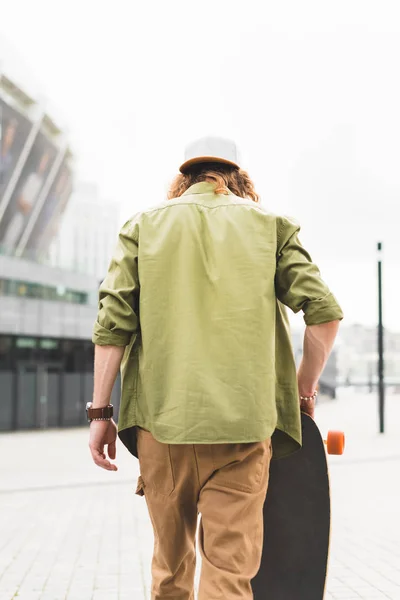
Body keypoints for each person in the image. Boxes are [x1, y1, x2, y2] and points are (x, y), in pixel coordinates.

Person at [88, 136, 343, 600]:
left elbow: (112, 326)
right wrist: (304, 391)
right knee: (229, 574)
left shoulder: (143, 226)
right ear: (238, 178)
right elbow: (324, 314)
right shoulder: (272, 226)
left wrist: (100, 414)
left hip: (162, 428)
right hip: (244, 434)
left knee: (170, 569)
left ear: (182, 180)